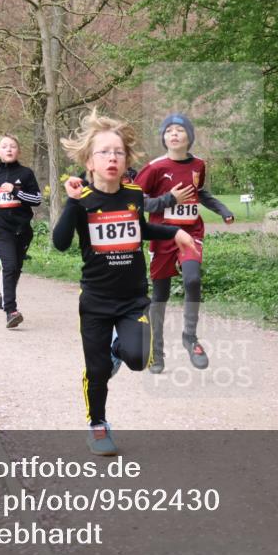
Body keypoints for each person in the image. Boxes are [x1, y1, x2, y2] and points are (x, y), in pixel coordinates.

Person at [52, 109, 197, 456]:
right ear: (89, 160)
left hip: (133, 298)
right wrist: (72, 204)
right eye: (104, 152)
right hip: (96, 302)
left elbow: (141, 229)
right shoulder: (82, 201)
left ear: (126, 158)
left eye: (118, 152)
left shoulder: (133, 195)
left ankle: (119, 352)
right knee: (96, 369)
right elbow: (59, 243)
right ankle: (98, 425)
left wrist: (175, 231)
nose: (112, 158)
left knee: (138, 357)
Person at [134, 113, 234, 373]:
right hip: (162, 234)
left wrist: (222, 210)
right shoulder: (154, 167)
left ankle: (190, 337)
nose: (174, 134)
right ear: (164, 138)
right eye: (169, 131)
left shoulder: (199, 164)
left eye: (180, 130)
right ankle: (157, 353)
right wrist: (168, 200)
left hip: (191, 233)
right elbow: (135, 202)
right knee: (160, 295)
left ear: (190, 136)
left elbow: (200, 193)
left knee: (192, 279)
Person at [0, 134, 42, 327]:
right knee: (8, 267)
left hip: (22, 229)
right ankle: (11, 310)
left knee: (16, 268)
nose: (9, 149)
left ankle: (5, 296)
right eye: (5, 147)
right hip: (1, 230)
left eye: (13, 146)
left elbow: (37, 200)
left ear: (18, 151)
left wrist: (16, 191)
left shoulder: (26, 174)